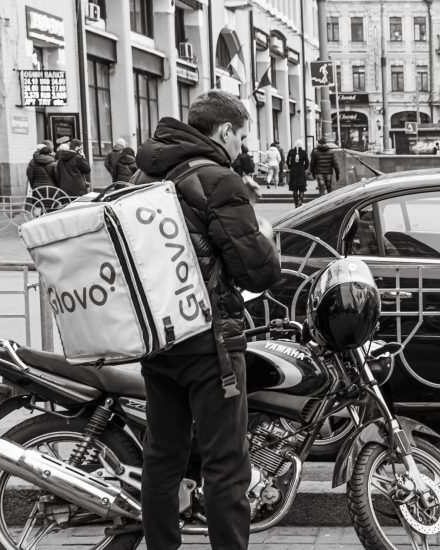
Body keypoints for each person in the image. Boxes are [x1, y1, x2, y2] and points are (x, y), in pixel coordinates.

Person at [132, 89, 281, 550]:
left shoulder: (144, 172)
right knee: (225, 466)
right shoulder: (218, 181)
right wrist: (266, 240)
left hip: (158, 339)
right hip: (209, 344)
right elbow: (258, 270)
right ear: (223, 131)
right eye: (241, 136)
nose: (243, 147)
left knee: (163, 459)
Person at [286, 139, 310, 207]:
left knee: (295, 188)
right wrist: (304, 168)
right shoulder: (304, 152)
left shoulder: (291, 151)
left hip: (293, 171)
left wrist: (290, 167)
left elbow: (287, 162)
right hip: (301, 171)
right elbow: (307, 163)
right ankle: (300, 201)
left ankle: (296, 203)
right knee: (302, 187)